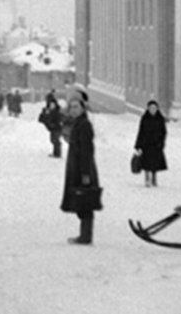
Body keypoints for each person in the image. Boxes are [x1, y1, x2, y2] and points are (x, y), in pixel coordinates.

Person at [59, 89, 100, 244]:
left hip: (83, 169)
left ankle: (85, 236)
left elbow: (86, 151)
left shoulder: (84, 125)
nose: (74, 110)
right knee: (82, 201)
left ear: (83, 108)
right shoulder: (78, 123)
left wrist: (85, 173)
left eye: (76, 107)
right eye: (72, 107)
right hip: (77, 168)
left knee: (85, 201)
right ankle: (84, 234)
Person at [134, 100, 168, 187]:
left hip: (156, 145)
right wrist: (138, 144)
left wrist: (161, 142)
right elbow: (141, 131)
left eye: (154, 108)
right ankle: (147, 178)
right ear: (148, 109)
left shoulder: (160, 119)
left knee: (155, 163)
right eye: (151, 108)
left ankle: (154, 178)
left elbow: (164, 131)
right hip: (146, 144)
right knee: (146, 163)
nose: (153, 110)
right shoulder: (145, 118)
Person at [38, 93, 66, 158]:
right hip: (54, 126)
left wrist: (52, 122)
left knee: (55, 139)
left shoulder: (52, 105)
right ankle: (56, 153)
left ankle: (57, 154)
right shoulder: (50, 106)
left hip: (56, 126)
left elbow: (55, 114)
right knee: (53, 139)